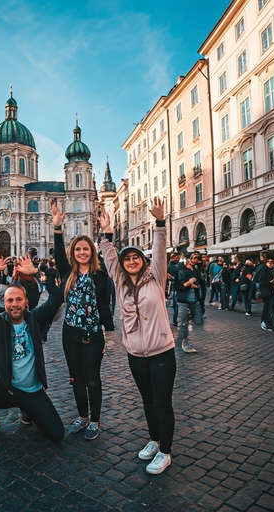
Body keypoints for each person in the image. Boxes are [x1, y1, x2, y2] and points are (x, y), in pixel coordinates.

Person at [98, 197, 176, 475]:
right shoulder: (119, 283)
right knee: (147, 400)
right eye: (127, 258)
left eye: (136, 258)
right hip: (136, 355)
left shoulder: (156, 276)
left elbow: (159, 250)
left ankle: (165, 452)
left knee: (162, 403)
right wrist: (106, 235)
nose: (131, 260)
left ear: (143, 262)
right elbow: (108, 259)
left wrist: (159, 223)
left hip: (161, 353)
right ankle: (155, 440)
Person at [0, 254, 65, 444]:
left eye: (18, 300)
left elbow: (57, 298)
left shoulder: (36, 319)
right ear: (4, 304)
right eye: (9, 301)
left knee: (56, 434)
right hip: (6, 388)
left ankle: (28, 409)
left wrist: (39, 271)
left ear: (26, 302)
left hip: (33, 391)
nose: (14, 304)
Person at [50, 200, 114, 440]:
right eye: (78, 249)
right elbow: (57, 254)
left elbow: (111, 257)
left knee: (92, 379)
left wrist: (107, 233)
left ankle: (95, 421)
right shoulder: (68, 273)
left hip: (94, 334)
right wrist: (58, 227)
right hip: (71, 333)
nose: (82, 252)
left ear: (92, 251)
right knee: (76, 378)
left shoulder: (100, 274)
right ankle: (82, 417)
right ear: (74, 253)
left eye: (86, 249)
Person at [174, 253, 204, 354]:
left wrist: (196, 286)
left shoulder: (196, 271)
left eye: (196, 258)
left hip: (194, 299)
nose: (193, 260)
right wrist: (189, 283)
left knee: (199, 321)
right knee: (183, 322)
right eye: (191, 258)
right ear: (187, 259)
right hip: (183, 300)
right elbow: (177, 286)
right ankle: (185, 342)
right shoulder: (180, 270)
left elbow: (200, 283)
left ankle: (186, 318)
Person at [257, 257, 274, 331]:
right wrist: (271, 282)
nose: (270, 263)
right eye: (268, 261)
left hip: (271, 292)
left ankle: (269, 323)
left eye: (272, 261)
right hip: (266, 292)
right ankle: (265, 323)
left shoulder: (272, 270)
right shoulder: (264, 270)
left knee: (271, 309)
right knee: (267, 308)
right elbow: (261, 282)